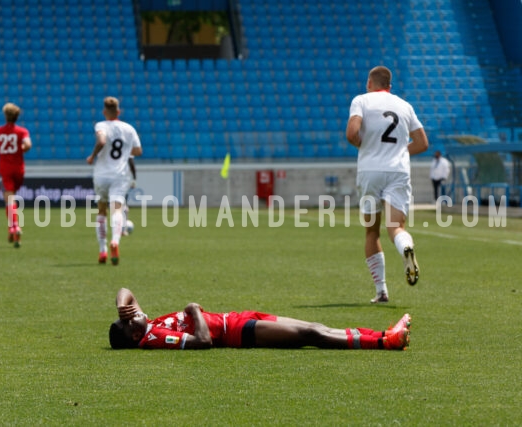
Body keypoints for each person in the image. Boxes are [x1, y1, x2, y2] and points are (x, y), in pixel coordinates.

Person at [345, 66, 429, 304]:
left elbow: (352, 133)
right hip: (398, 171)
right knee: (396, 227)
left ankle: (381, 290)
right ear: (389, 86)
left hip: (370, 171)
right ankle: (405, 249)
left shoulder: (361, 100)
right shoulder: (404, 106)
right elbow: (422, 143)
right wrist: (399, 151)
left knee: (372, 231)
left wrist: (368, 146)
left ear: (369, 83)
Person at [109, 288, 411, 350]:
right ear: (135, 337)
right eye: (129, 321)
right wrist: (193, 310)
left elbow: (126, 291)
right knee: (311, 335)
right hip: (237, 331)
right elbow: (202, 342)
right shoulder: (154, 337)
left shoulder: (145, 324)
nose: (133, 314)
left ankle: (383, 335)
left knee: (314, 328)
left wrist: (123, 306)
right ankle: (386, 343)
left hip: (240, 318)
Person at [86, 97, 142, 265]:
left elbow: (102, 141)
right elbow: (138, 151)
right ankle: (115, 241)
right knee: (117, 210)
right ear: (119, 112)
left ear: (104, 112)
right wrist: (126, 150)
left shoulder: (101, 125)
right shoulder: (129, 129)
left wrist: (92, 155)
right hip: (120, 174)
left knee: (101, 211)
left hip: (102, 174)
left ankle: (102, 251)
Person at [0, 102, 32, 248]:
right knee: (12, 198)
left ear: (5, 116)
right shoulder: (22, 131)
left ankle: (14, 226)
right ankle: (13, 233)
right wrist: (22, 148)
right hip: (19, 169)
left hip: (5, 169)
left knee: (9, 199)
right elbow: (28, 145)